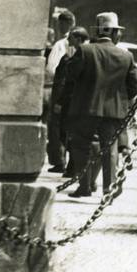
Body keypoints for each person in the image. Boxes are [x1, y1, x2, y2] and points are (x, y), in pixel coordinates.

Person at [61, 13, 137, 198]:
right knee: (110, 149)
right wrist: (118, 99)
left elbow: (71, 75)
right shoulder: (126, 56)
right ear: (115, 34)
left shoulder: (85, 51)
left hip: (85, 108)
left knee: (81, 147)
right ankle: (109, 186)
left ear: (96, 32)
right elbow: (134, 87)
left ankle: (84, 186)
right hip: (113, 111)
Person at [51, 27, 89, 179]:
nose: (68, 41)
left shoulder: (81, 54)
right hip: (75, 101)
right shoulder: (74, 54)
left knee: (70, 134)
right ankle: (72, 167)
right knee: (68, 134)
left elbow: (70, 81)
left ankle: (73, 168)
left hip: (74, 101)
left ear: (79, 39)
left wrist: (60, 101)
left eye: (71, 38)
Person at [45, 10, 77, 172]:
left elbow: (51, 69)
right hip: (77, 90)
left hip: (61, 87)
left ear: (63, 24)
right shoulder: (84, 43)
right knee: (73, 125)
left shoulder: (60, 44)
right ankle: (72, 163)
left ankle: (59, 161)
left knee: (56, 124)